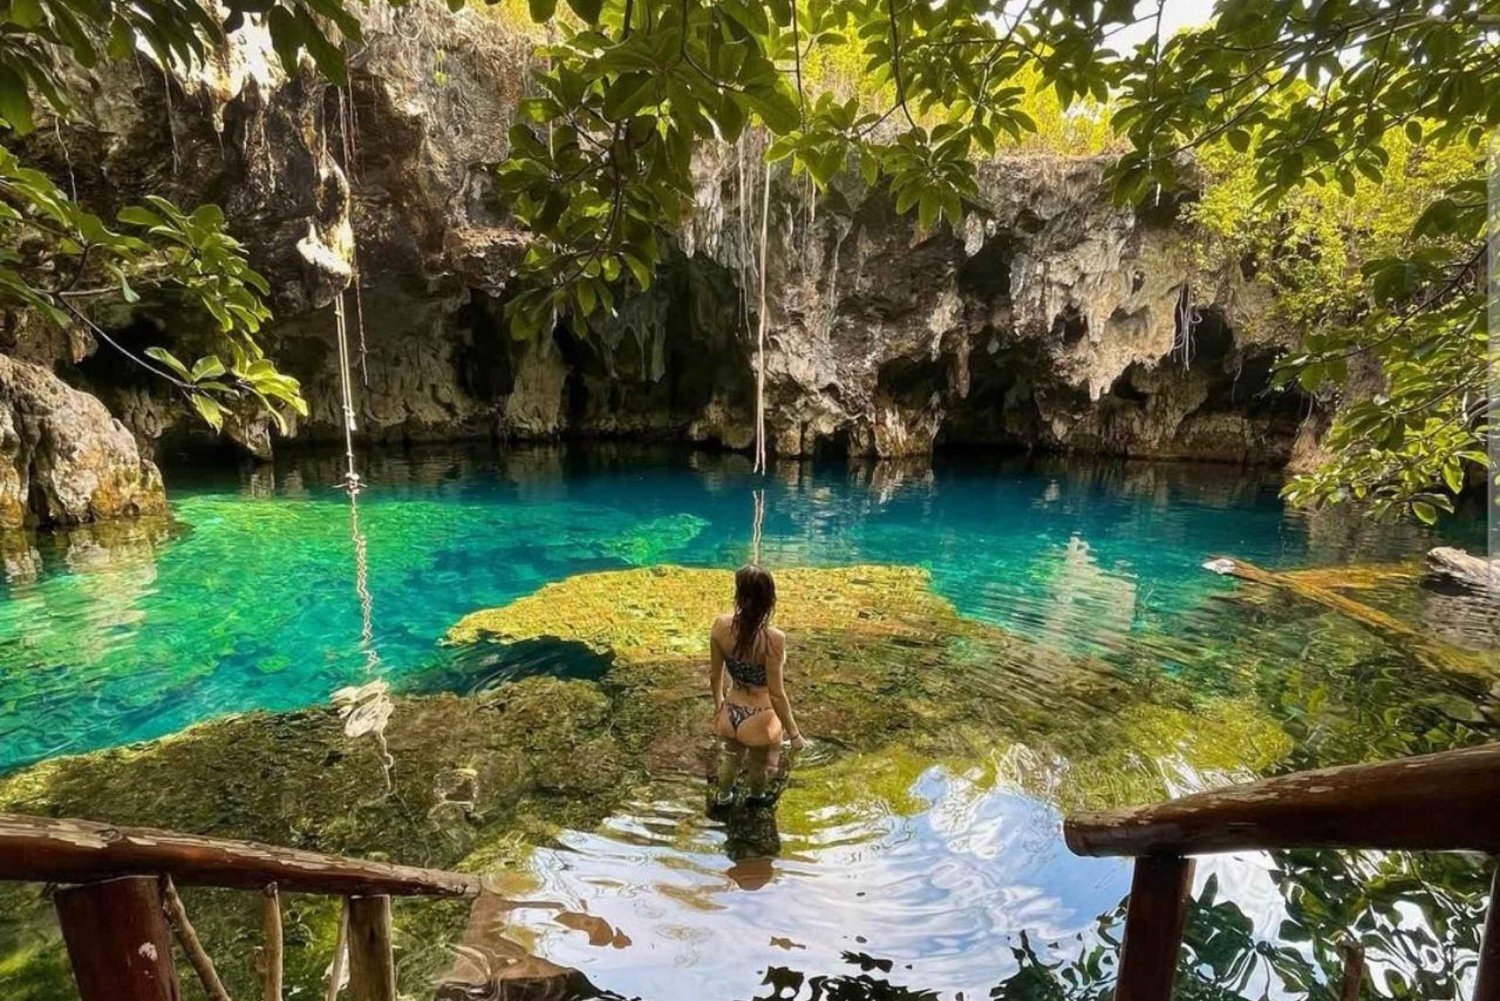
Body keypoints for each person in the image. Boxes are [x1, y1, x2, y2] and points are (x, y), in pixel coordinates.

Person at [710, 564, 804, 806]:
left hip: (729, 714)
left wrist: (720, 704)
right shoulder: (774, 639)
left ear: (739, 596)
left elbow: (715, 676)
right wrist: (794, 734)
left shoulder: (720, 626)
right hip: (759, 718)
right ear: (769, 600)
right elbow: (776, 694)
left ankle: (723, 797)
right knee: (758, 765)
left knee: (731, 759)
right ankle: (756, 798)